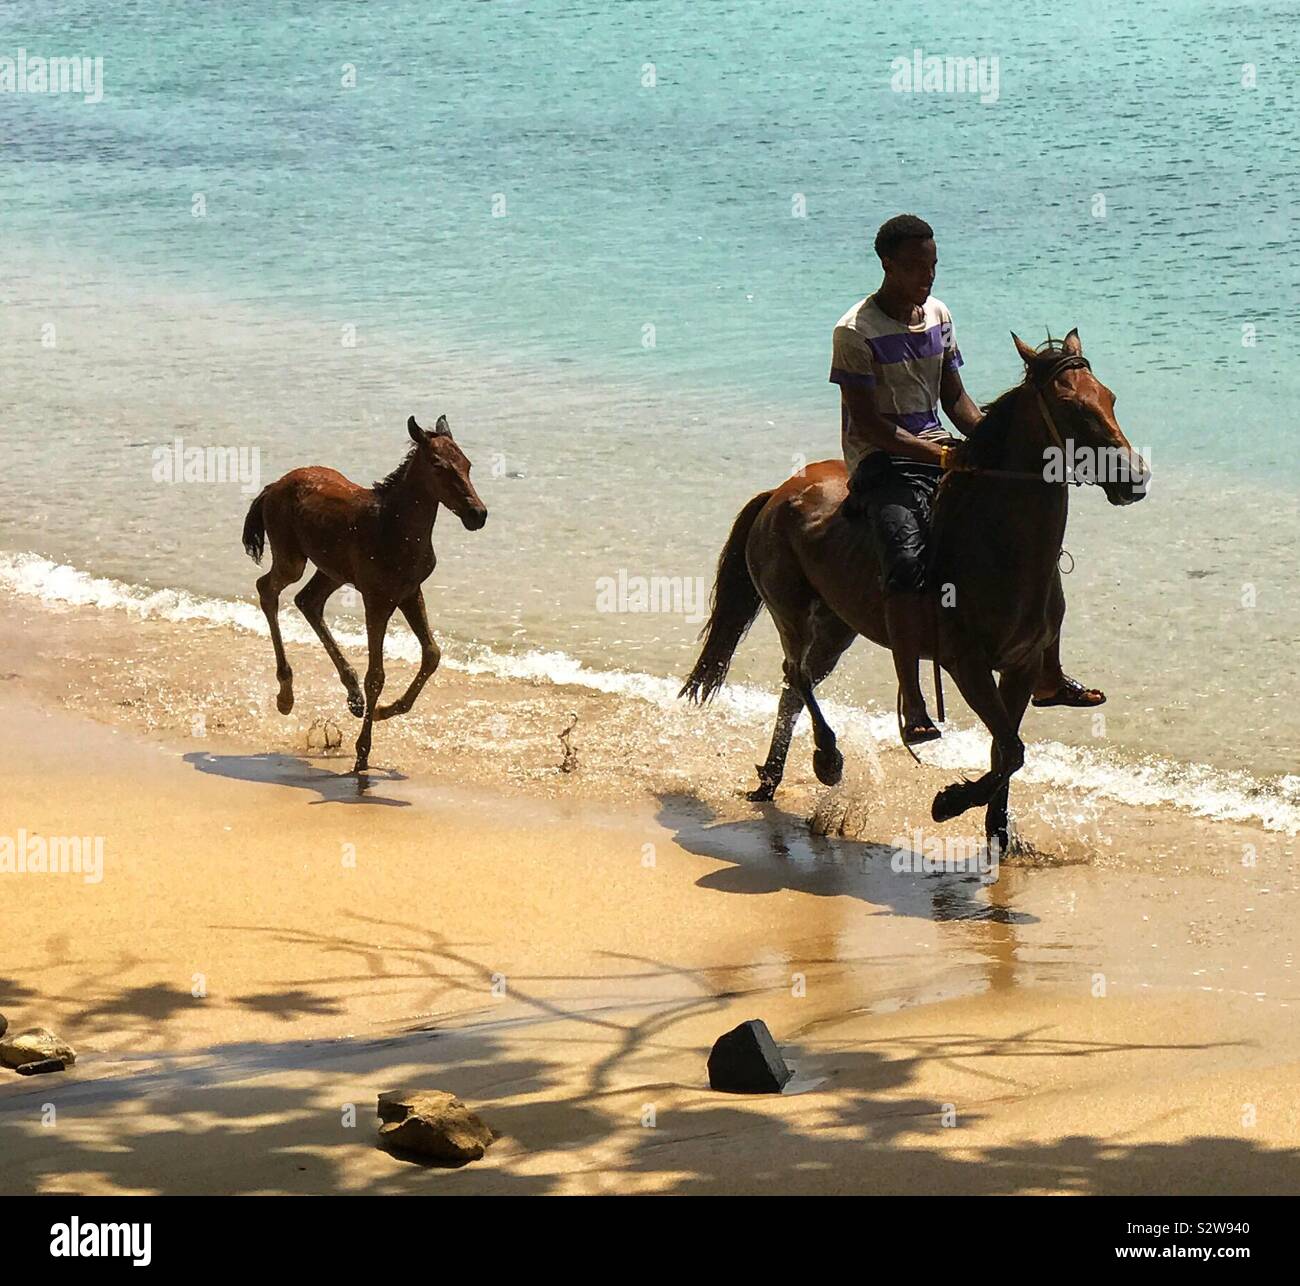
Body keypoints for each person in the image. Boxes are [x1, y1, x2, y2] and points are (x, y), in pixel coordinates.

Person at [829, 213, 1104, 744]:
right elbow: (868, 423)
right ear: (886, 263)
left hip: (941, 448)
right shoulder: (854, 331)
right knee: (905, 564)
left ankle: (1047, 672)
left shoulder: (938, 314)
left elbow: (953, 397)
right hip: (883, 462)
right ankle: (911, 697)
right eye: (914, 267)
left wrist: (989, 441)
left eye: (932, 266)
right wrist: (938, 458)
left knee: (1029, 538)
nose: (926, 277)